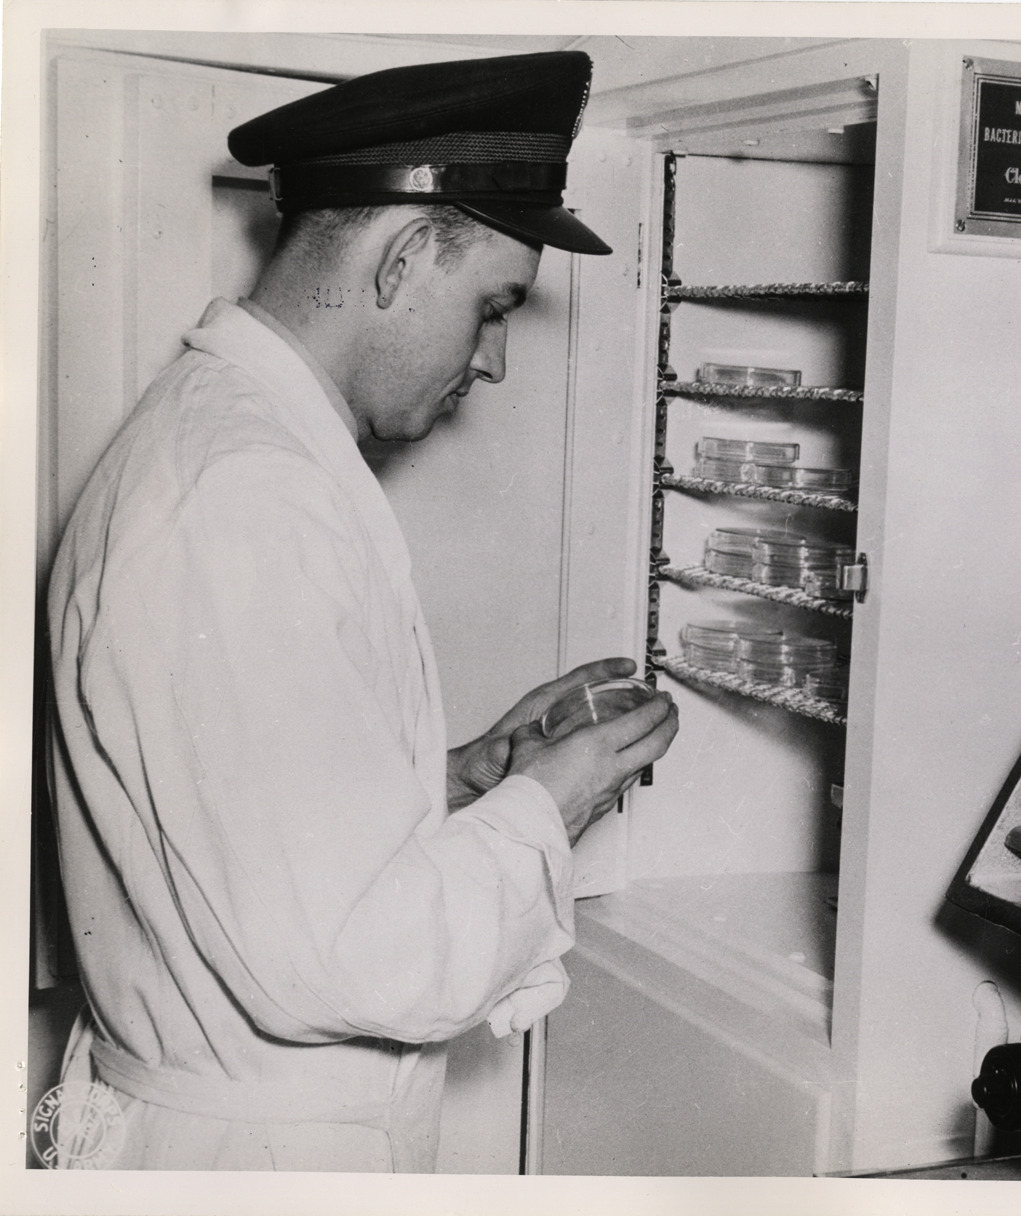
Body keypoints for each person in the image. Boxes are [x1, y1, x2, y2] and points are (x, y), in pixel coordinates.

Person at [45, 51, 677, 1172]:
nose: (492, 360)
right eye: (493, 308)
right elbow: (353, 958)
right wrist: (554, 800)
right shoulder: (245, 497)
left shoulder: (239, 442)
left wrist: (463, 780)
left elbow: (246, 814)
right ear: (404, 257)